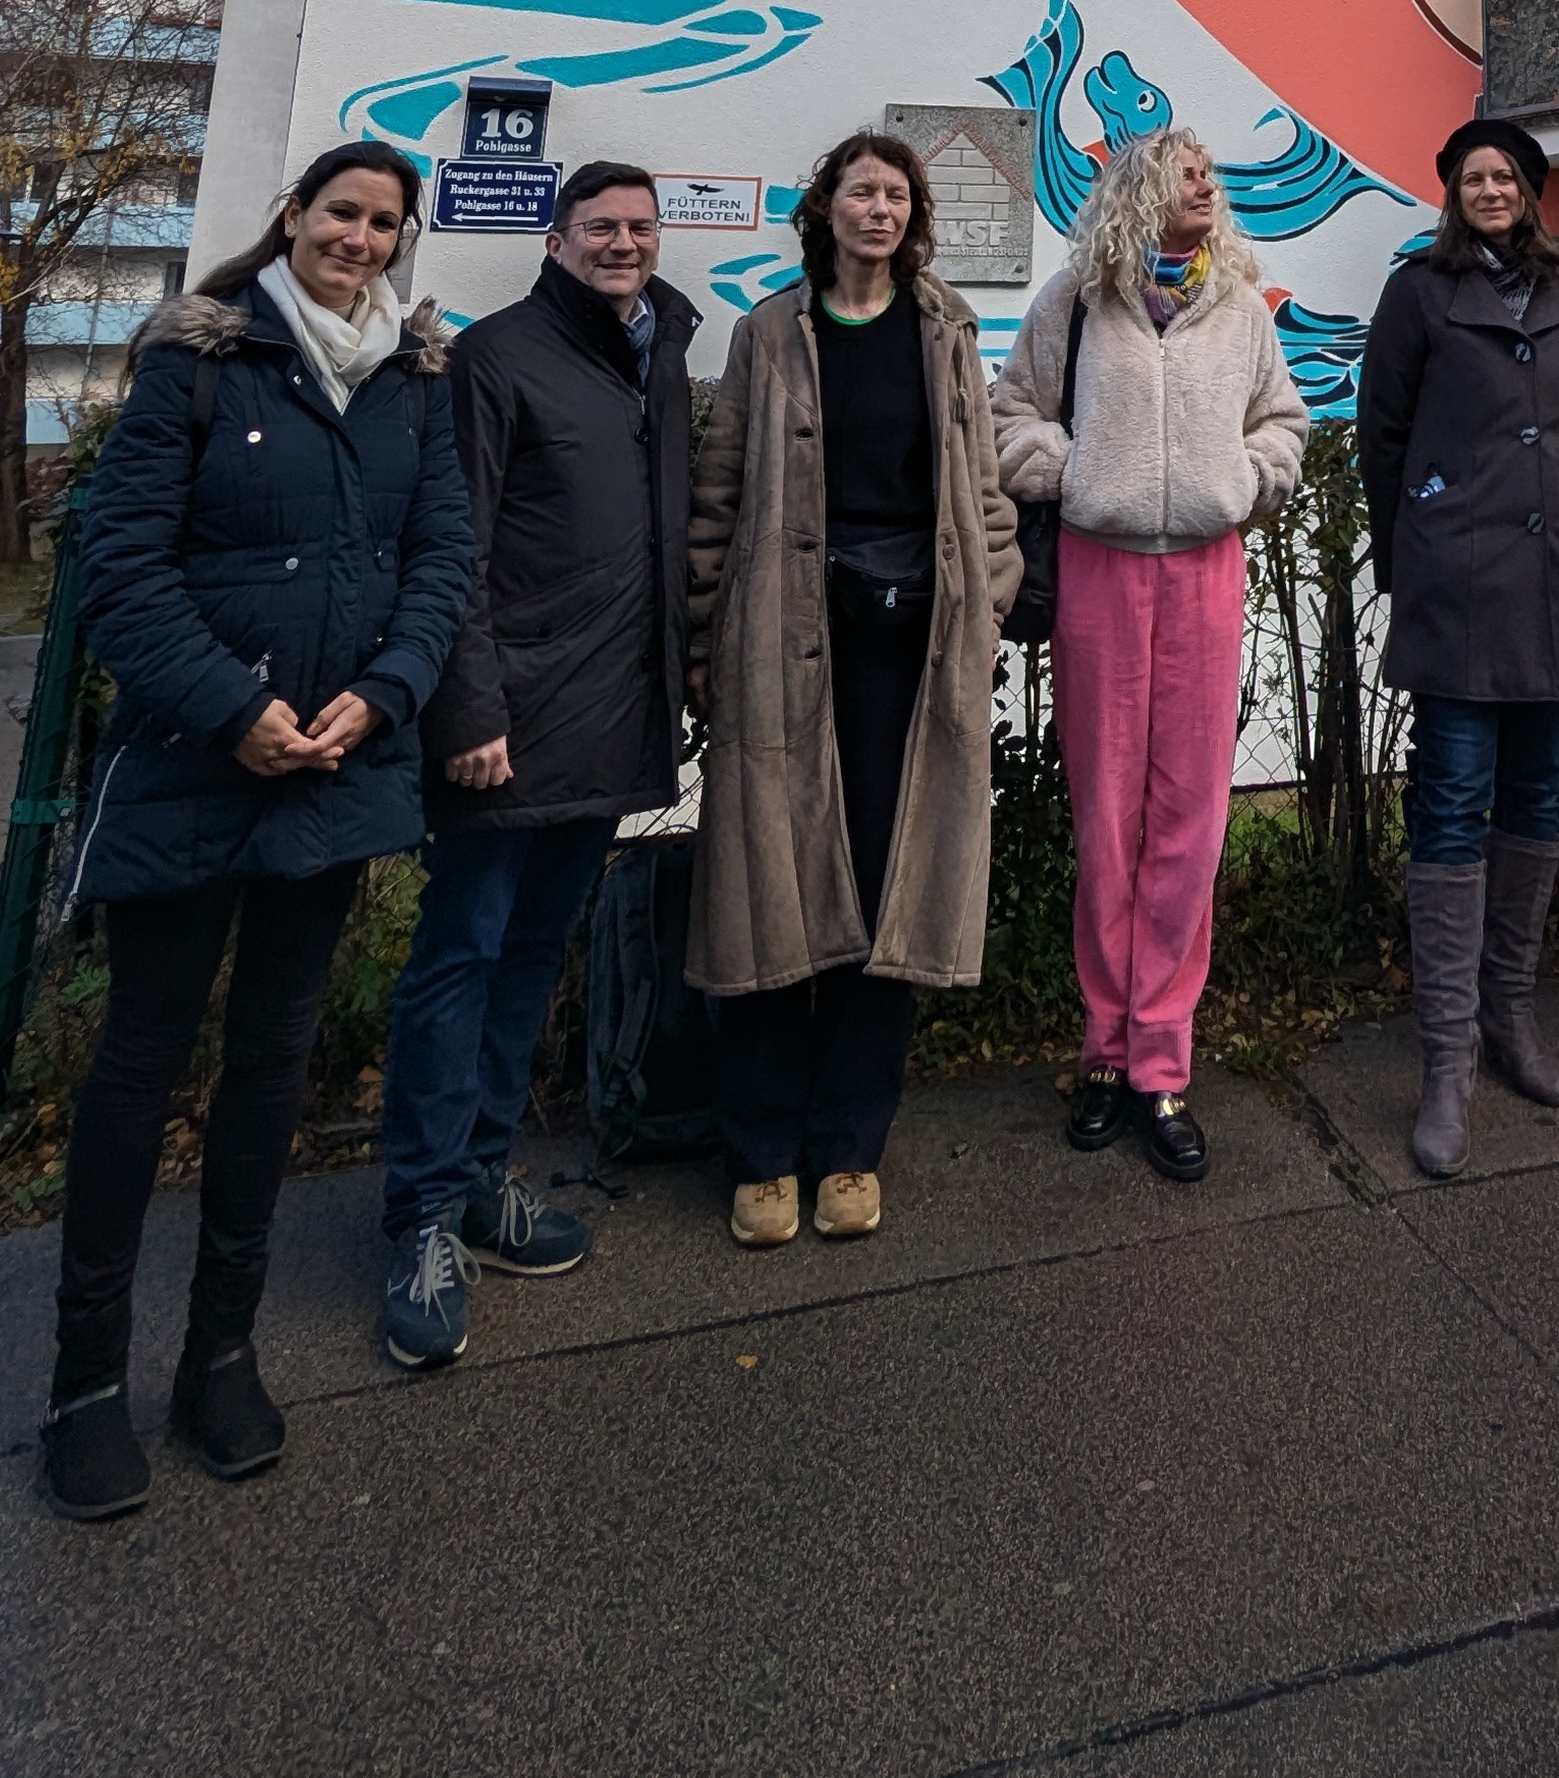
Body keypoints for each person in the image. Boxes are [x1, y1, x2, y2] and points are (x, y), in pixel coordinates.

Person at [37, 144, 472, 1521]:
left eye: (384, 223)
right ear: (293, 217)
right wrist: (232, 708)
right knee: (142, 1061)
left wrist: (384, 694)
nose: (361, 238)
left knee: (273, 1062)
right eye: (341, 213)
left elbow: (440, 562)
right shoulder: (200, 362)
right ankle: (85, 1383)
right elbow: (121, 566)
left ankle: (219, 1354)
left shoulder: (414, 381)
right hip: (196, 761)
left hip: (335, 769)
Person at [376, 163, 696, 1369]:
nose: (624, 243)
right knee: (459, 958)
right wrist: (467, 710)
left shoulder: (657, 353)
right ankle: (417, 1219)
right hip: (504, 726)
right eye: (600, 227)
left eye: (640, 228)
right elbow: (450, 548)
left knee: (526, 961)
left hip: (606, 722)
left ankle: (479, 1181)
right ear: (556, 241)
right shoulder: (498, 359)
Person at [688, 132, 1018, 1242]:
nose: (880, 209)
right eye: (861, 191)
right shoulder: (769, 331)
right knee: (768, 885)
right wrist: (703, 642)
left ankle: (850, 1146)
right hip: (782, 641)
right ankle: (761, 1149)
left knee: (889, 885)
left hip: (911, 652)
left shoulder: (946, 328)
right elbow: (719, 492)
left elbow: (982, 488)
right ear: (824, 209)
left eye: (897, 195)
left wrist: (989, 601)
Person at [994, 130, 1308, 1181]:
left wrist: (1246, 479)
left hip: (1208, 573)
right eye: (1186, 171)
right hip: (1101, 572)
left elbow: (1284, 424)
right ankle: (1104, 1049)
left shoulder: (1240, 309)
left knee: (1191, 823)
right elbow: (1011, 414)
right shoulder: (1076, 300)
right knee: (1105, 819)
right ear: (1138, 190)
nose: (1206, 184)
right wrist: (1074, 472)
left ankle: (1161, 1064)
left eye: (1209, 173)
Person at [1359, 116, 1559, 1177]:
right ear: (1452, 194)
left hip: (1553, 579)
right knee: (1453, 800)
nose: (1490, 190)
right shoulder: (1418, 293)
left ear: (1530, 190)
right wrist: (1409, 557)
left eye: (1505, 175)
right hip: (1457, 580)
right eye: (1473, 177)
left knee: (1536, 798)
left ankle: (1510, 1017)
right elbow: (1382, 434)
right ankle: (1447, 1059)